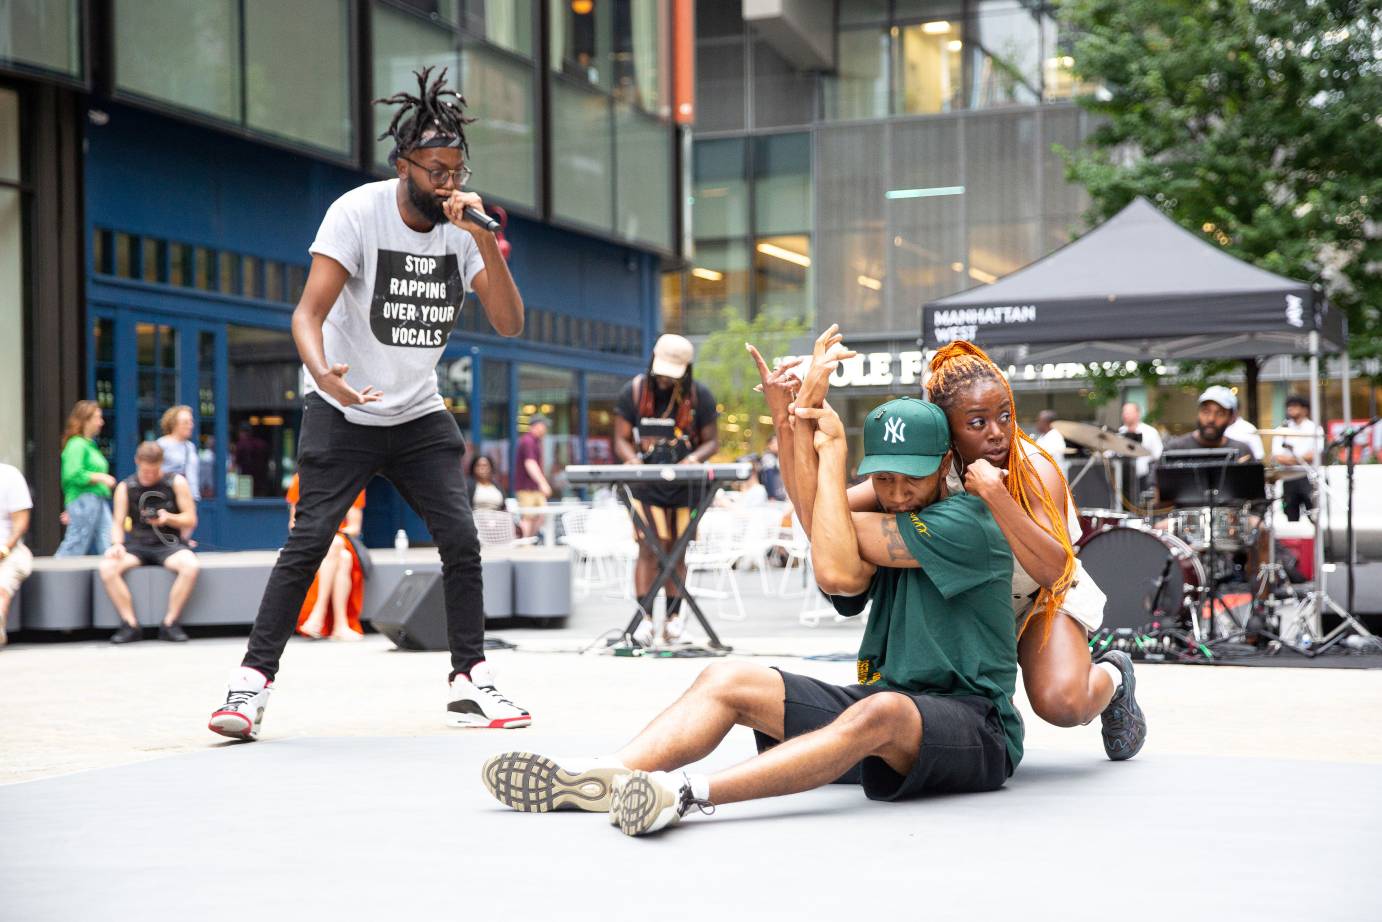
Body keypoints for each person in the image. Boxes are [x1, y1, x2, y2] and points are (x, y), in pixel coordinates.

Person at [481, 397, 1021, 836]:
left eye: (912, 479)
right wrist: (796, 424)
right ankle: (610, 772)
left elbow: (824, 529)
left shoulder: (971, 520)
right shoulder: (880, 512)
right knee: (728, 678)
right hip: (884, 708)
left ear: (944, 465)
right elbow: (833, 554)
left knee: (882, 710)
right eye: (883, 479)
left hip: (974, 726)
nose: (898, 494)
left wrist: (831, 457)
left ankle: (684, 794)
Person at [208, 66, 530, 741]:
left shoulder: (462, 229)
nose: (447, 183)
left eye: (457, 171)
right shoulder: (357, 212)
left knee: (461, 539)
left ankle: (470, 676)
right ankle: (251, 684)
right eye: (435, 171)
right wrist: (323, 376)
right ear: (403, 165)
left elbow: (508, 322)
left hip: (417, 412)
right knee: (308, 542)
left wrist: (482, 239)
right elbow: (306, 313)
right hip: (344, 404)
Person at [756, 329, 1144, 761]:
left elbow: (1056, 572)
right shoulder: (925, 465)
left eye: (1005, 416)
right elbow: (822, 518)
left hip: (1037, 597)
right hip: (974, 595)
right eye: (977, 422)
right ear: (945, 430)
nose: (997, 433)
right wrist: (791, 419)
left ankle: (1114, 676)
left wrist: (996, 497)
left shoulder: (1033, 467)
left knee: (1063, 704)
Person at [613, 333, 719, 646]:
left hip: (685, 486)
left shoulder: (699, 395)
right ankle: (644, 621)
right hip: (646, 484)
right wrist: (633, 460)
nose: (664, 379)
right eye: (661, 372)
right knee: (648, 548)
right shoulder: (634, 392)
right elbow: (620, 438)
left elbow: (712, 441)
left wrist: (693, 459)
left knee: (678, 551)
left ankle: (673, 621)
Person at [100, 441, 199, 644]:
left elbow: (190, 518)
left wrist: (167, 518)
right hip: (137, 544)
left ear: (161, 464)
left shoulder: (176, 482)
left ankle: (170, 623)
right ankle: (130, 624)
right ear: (137, 462)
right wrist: (116, 544)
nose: (149, 476)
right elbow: (117, 523)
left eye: (154, 472)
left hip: (169, 544)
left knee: (191, 566)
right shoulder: (126, 487)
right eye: (145, 471)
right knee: (107, 567)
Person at [287, 473, 366, 641]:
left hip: (341, 539)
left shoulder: (353, 478)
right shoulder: (301, 479)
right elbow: (294, 523)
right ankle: (340, 625)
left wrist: (329, 534)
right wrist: (319, 535)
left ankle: (319, 612)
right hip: (312, 539)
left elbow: (354, 527)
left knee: (336, 544)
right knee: (344, 558)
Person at [56, 400, 116, 557]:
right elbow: (72, 474)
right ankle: (59, 569)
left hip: (97, 498)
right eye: (97, 417)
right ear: (86, 420)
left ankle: (110, 569)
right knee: (77, 541)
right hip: (83, 498)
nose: (101, 422)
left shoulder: (89, 445)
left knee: (107, 540)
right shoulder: (76, 444)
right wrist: (101, 477)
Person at [1164, 386, 1256, 460]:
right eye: (1206, 411)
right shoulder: (1173, 449)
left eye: (1220, 414)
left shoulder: (1242, 452)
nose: (1211, 419)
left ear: (1232, 418)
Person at [1270, 394, 1323, 522]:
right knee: (1290, 513)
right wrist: (1300, 459)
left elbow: (1314, 455)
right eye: (1289, 406)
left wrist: (1292, 459)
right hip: (1288, 476)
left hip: (1307, 476)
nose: (1291, 409)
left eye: (1295, 406)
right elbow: (1277, 456)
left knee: (1313, 512)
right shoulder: (1282, 429)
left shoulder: (1314, 428)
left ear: (1304, 409)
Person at [0, 462, 34, 647]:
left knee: (1, 586)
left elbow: (20, 523)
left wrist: (4, 550)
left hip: (9, 552)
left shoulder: (9, 475)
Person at [512, 414, 551, 538]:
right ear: (537, 426)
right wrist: (543, 483)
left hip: (534, 488)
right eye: (544, 426)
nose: (545, 429)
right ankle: (525, 544)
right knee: (528, 517)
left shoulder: (535, 441)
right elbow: (530, 463)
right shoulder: (528, 440)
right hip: (526, 488)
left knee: (542, 515)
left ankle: (530, 541)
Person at [1118, 401, 1163, 495]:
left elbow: (1159, 455)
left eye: (1128, 412)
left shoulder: (1150, 432)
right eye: (1124, 412)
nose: (1125, 415)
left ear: (1138, 414)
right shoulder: (1120, 433)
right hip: (1123, 480)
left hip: (1144, 479)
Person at [157, 405, 201, 502]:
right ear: (174, 424)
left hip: (189, 499)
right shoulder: (161, 444)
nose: (190, 426)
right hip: (168, 499)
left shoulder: (190, 446)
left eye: (191, 422)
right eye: (186, 422)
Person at [1033, 409, 1069, 477]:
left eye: (1039, 421)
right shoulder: (1043, 436)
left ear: (1047, 423)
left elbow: (1044, 456)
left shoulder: (1055, 436)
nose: (1036, 423)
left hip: (1054, 477)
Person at [759, 434, 786, 501]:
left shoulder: (780, 456)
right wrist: (771, 495)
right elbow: (768, 477)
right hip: (774, 496)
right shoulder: (767, 457)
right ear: (769, 445)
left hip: (783, 494)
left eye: (777, 442)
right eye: (774, 443)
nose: (776, 444)